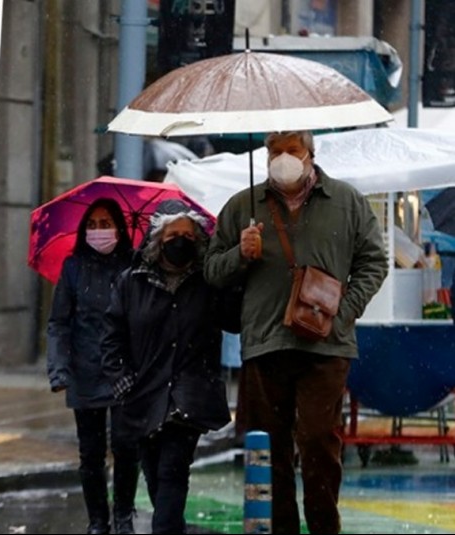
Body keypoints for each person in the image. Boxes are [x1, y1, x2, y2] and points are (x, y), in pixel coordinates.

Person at [204, 130, 388, 534]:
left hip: (327, 344)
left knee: (319, 440)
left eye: (292, 149)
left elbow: (374, 261)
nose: (282, 157)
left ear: (310, 154)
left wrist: (345, 310)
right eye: (274, 150)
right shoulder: (242, 206)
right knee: (271, 449)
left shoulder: (346, 201)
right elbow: (211, 271)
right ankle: (281, 527)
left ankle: (324, 526)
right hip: (266, 342)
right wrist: (240, 253)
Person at [101, 199, 232, 535]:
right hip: (143, 395)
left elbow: (234, 318)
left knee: (173, 471)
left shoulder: (208, 282)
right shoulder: (131, 283)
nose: (180, 241)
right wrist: (122, 380)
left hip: (189, 396)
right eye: (174, 234)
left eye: (188, 235)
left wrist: (239, 264)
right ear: (158, 238)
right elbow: (112, 338)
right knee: (156, 477)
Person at [46, 198, 137, 534]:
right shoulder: (73, 268)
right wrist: (59, 370)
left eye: (106, 223)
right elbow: (59, 322)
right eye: (93, 225)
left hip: (125, 374)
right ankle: (98, 520)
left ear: (119, 227)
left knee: (127, 447)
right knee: (91, 454)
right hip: (85, 371)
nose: (99, 231)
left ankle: (124, 515)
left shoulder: (133, 265)